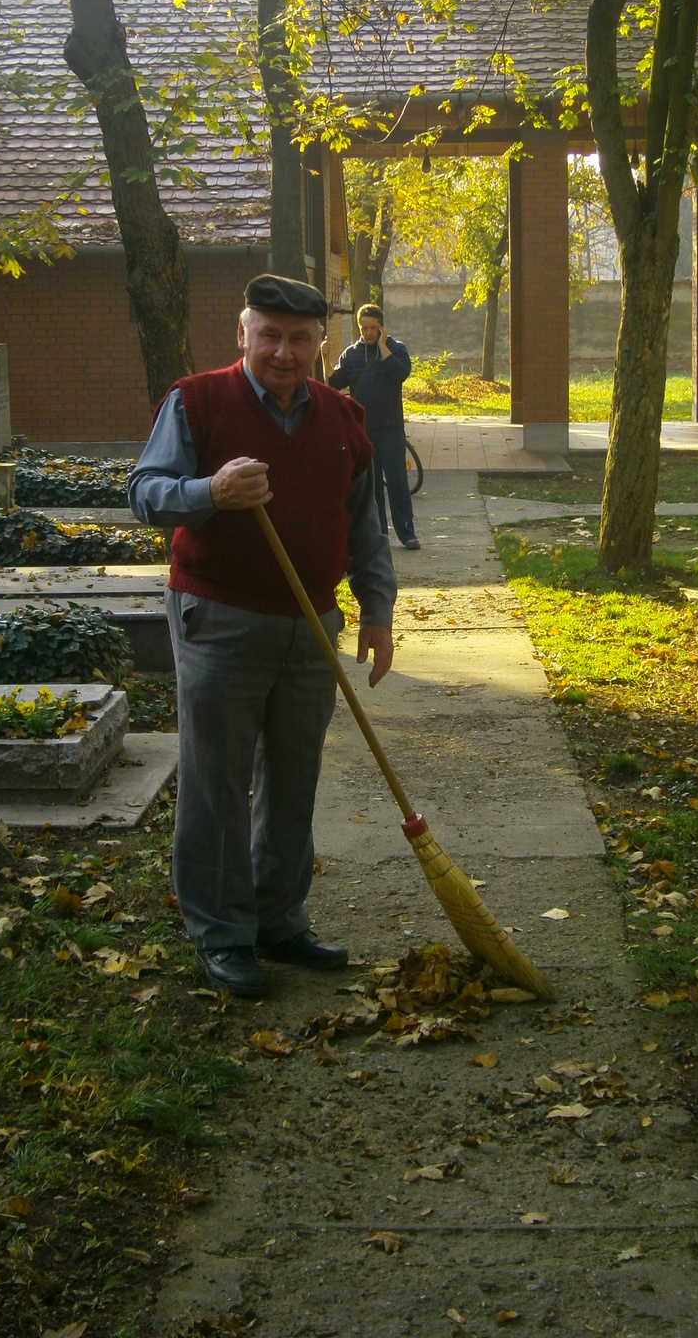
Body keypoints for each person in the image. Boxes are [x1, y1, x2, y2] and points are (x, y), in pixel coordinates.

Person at [128, 275, 398, 998]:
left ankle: (280, 920)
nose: (283, 351)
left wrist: (378, 610)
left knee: (293, 774)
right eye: (269, 334)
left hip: (312, 622)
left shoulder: (344, 416)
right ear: (241, 333)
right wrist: (208, 492)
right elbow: (145, 493)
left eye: (299, 338)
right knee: (217, 781)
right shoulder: (196, 401)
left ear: (320, 344)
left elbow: (363, 526)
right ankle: (222, 935)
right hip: (219, 617)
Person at [326, 304, 420, 550]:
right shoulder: (351, 354)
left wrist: (383, 347)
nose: (367, 333)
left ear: (381, 327)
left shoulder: (396, 349)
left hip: (391, 428)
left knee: (398, 481)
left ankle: (407, 533)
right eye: (363, 328)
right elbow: (334, 383)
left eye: (372, 328)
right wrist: (324, 357)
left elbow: (401, 373)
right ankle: (379, 534)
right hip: (364, 430)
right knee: (372, 486)